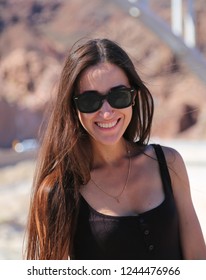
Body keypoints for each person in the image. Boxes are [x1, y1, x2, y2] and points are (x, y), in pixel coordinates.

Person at [25, 38, 206, 260]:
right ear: (73, 108)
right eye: (90, 101)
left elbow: (198, 261)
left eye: (118, 96)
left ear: (133, 97)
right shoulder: (58, 193)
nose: (107, 112)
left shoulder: (169, 163)